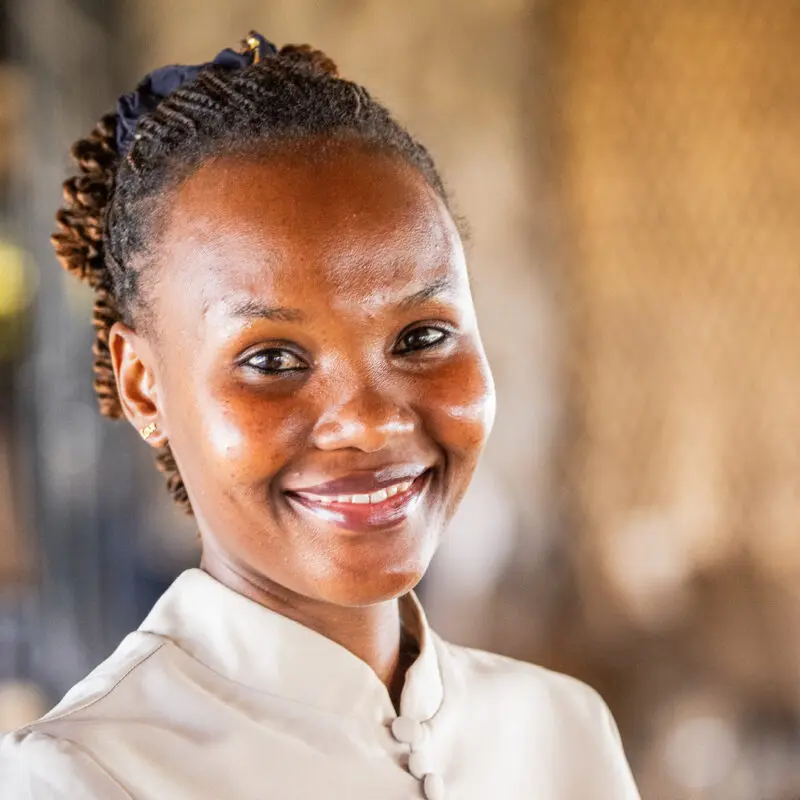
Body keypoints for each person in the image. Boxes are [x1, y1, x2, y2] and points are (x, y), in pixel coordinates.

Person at [0, 32, 640, 799]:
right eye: (272, 360)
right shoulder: (83, 778)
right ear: (142, 387)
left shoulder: (560, 730)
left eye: (422, 337)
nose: (369, 421)